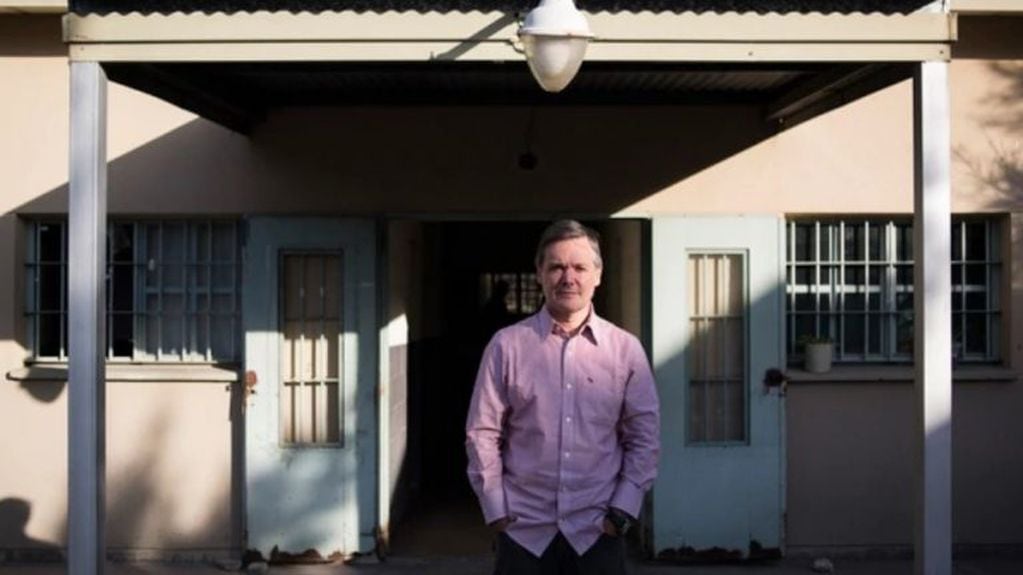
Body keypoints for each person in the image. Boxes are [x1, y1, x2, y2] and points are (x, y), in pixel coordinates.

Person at [465, 220, 660, 575]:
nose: (568, 277)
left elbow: (644, 439)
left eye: (579, 267)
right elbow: (483, 432)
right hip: (524, 532)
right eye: (556, 266)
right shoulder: (506, 346)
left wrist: (623, 510)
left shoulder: (626, 350)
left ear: (597, 275)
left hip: (598, 530)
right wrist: (495, 508)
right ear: (540, 273)